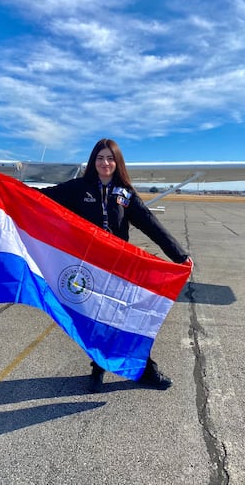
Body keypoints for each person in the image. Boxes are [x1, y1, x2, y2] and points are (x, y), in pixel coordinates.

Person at [39, 138, 190, 392]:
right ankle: (98, 368)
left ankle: (145, 370)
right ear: (93, 161)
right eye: (100, 158)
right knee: (98, 320)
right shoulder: (77, 188)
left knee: (132, 319)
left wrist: (179, 256)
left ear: (117, 162)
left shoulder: (126, 195)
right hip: (91, 269)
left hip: (120, 270)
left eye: (110, 158)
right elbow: (39, 198)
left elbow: (151, 224)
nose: (105, 163)